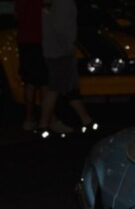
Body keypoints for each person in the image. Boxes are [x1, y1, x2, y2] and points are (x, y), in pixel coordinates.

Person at [38, 0, 95, 135]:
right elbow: (61, 28)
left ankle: (86, 120)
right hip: (60, 53)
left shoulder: (56, 4)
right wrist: (69, 47)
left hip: (54, 51)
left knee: (66, 87)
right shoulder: (64, 3)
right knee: (56, 88)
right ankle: (43, 124)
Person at [14, 0, 46, 131]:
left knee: (29, 82)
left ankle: (29, 119)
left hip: (24, 40)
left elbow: (17, 15)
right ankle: (46, 118)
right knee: (45, 82)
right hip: (39, 40)